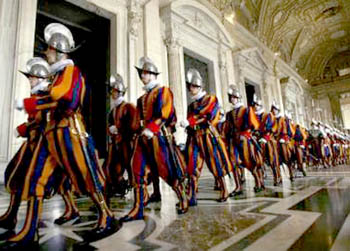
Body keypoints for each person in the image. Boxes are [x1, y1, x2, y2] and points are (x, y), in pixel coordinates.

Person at [3, 23, 121, 248]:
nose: (45, 53)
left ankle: (107, 216)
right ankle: (29, 231)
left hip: (70, 133)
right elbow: (52, 99)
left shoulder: (70, 72)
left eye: (48, 49)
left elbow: (67, 98)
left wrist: (31, 103)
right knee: (36, 178)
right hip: (51, 135)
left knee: (86, 176)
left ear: (57, 51)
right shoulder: (56, 75)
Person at [120, 57, 188, 222]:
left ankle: (183, 198)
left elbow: (165, 112)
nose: (142, 76)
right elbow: (136, 121)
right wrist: (135, 131)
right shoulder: (141, 99)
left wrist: (153, 128)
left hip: (159, 136)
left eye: (145, 73)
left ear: (152, 74)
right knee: (137, 169)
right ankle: (138, 208)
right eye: (142, 74)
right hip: (143, 138)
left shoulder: (163, 91)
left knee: (166, 169)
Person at [181, 68, 232, 205]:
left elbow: (207, 114)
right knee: (192, 165)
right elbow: (191, 120)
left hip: (207, 135)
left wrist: (191, 121)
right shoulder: (191, 105)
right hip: (194, 136)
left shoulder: (211, 99)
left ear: (198, 86)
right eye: (189, 86)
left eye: (193, 86)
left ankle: (224, 189)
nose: (190, 89)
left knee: (214, 162)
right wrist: (188, 126)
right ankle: (192, 194)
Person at [103, 74, 138, 202]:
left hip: (127, 143)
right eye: (112, 91)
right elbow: (109, 125)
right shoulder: (112, 111)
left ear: (120, 92)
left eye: (115, 91)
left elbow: (134, 125)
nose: (112, 93)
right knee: (111, 168)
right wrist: (111, 130)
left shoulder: (129, 107)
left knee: (131, 168)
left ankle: (139, 195)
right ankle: (118, 188)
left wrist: (120, 129)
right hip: (116, 144)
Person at [225, 85, 263, 193]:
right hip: (233, 139)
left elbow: (253, 124)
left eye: (234, 97)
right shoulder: (229, 114)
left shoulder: (246, 110)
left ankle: (258, 181)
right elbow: (227, 127)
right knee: (233, 163)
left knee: (248, 162)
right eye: (231, 97)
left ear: (238, 98)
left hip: (244, 138)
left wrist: (245, 133)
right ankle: (238, 186)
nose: (232, 99)